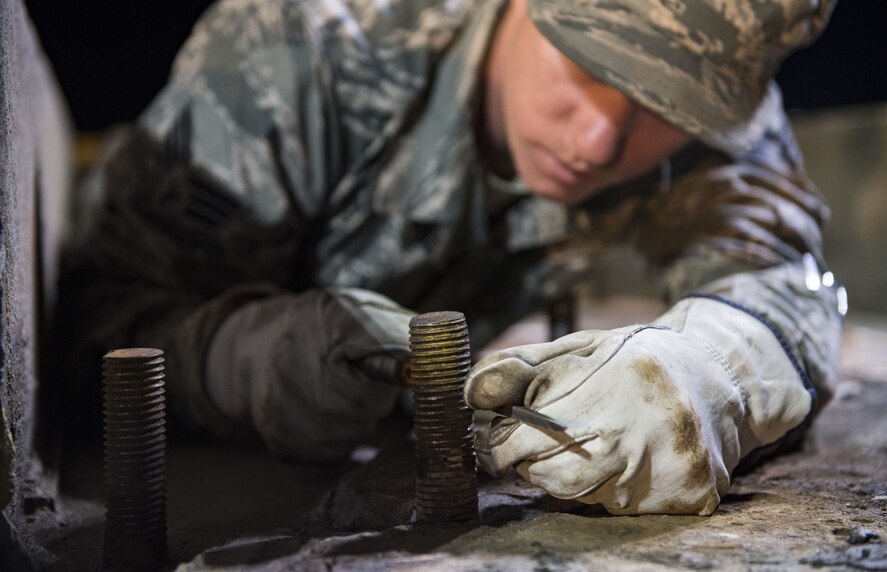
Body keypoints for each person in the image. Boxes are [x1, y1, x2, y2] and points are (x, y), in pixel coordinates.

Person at [58, 0, 844, 516]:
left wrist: (706, 370)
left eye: (659, 109)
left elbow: (777, 280)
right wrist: (250, 359)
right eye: (584, 63)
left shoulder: (712, 94)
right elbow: (95, 316)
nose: (598, 140)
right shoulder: (302, 46)